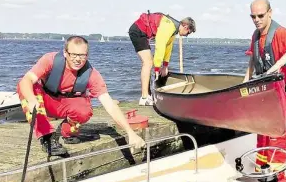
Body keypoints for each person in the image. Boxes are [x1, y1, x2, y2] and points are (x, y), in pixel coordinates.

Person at [17, 36, 146, 156]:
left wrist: (130, 133)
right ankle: (46, 138)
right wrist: (32, 100)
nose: (78, 59)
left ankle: (68, 133)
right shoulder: (50, 60)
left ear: (87, 55)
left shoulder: (91, 74)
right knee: (26, 87)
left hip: (64, 105)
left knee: (84, 109)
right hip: (43, 103)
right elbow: (26, 80)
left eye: (82, 55)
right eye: (74, 54)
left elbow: (109, 105)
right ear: (65, 53)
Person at [243, 0, 286, 172]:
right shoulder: (256, 35)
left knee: (280, 135)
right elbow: (253, 60)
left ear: (270, 13)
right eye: (253, 16)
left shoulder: (280, 33)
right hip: (268, 96)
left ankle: (278, 173)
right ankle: (261, 168)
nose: (257, 20)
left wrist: (276, 67)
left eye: (260, 15)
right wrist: (244, 82)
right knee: (262, 132)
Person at [129, 12, 196, 106]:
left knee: (148, 63)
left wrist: (165, 66)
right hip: (138, 31)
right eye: (188, 33)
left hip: (143, 34)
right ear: (185, 26)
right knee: (148, 63)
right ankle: (144, 98)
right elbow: (160, 45)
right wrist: (157, 68)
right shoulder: (168, 26)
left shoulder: (174, 30)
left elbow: (168, 47)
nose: (186, 35)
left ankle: (147, 95)